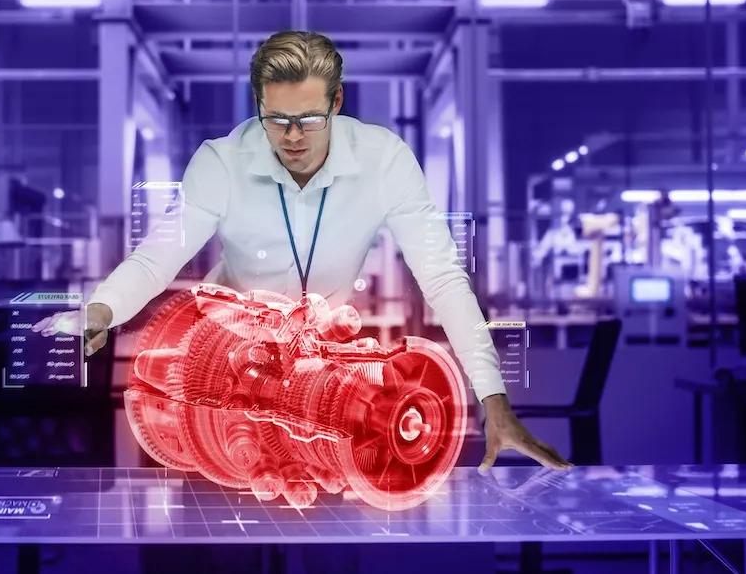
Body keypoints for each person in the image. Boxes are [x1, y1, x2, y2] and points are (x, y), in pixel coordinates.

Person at [34, 30, 570, 472]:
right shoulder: (221, 162)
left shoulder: (383, 160)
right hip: (221, 367)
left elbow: (444, 279)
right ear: (258, 106)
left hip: (322, 373)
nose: (292, 136)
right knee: (209, 541)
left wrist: (493, 402)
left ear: (336, 102)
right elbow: (156, 258)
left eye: (309, 119)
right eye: (276, 119)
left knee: (331, 537)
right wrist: (101, 310)